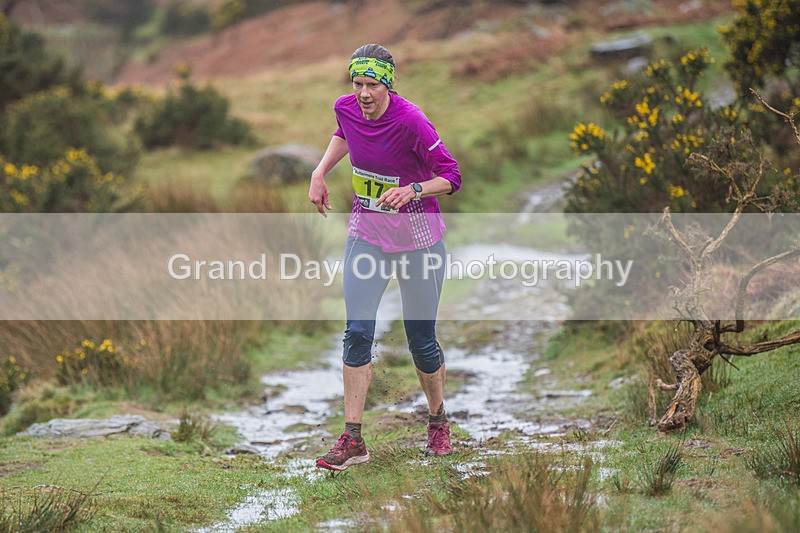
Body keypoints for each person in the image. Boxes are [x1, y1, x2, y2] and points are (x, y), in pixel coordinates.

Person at [308, 43, 462, 471]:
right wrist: (320, 172)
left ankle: (437, 420)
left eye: (372, 84)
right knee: (357, 331)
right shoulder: (346, 107)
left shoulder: (411, 120)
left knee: (421, 342)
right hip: (368, 234)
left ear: (387, 84)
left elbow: (451, 176)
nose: (363, 93)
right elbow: (344, 133)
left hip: (419, 238)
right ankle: (352, 438)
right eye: (357, 83)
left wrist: (413, 189)